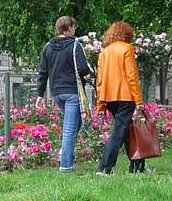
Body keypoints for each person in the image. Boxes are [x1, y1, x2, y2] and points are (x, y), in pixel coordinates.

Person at [35, 17, 95, 172]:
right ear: (68, 28)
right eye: (74, 27)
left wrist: (40, 95)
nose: (75, 29)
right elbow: (83, 69)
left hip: (57, 92)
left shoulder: (48, 47)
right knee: (69, 129)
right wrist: (88, 69)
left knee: (75, 125)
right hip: (72, 92)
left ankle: (68, 158)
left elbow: (43, 72)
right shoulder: (75, 45)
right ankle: (66, 165)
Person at [94, 21, 145, 176]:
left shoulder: (105, 52)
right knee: (120, 132)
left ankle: (138, 166)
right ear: (127, 34)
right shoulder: (127, 48)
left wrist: (101, 104)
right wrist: (139, 100)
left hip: (109, 98)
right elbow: (131, 76)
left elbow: (100, 80)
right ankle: (105, 167)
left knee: (128, 130)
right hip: (125, 96)